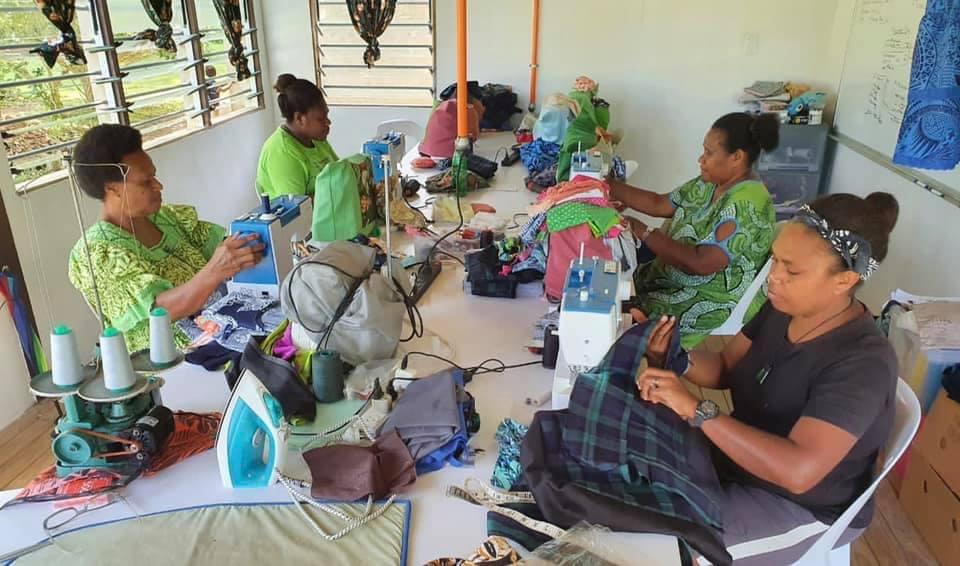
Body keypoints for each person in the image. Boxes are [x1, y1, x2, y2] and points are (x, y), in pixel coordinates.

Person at [636, 192, 900, 564]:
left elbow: (797, 471)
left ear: (844, 280)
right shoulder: (783, 309)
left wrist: (697, 410)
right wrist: (671, 354)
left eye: (792, 271)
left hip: (797, 504)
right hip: (737, 462)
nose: (774, 277)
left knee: (666, 549)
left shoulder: (863, 363)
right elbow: (725, 367)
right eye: (775, 259)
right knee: (628, 471)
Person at [68, 124, 264, 352]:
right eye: (146, 181)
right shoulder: (96, 253)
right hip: (173, 361)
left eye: (154, 176)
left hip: (221, 333)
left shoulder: (167, 219)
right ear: (113, 189)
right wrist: (215, 271)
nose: (158, 186)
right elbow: (161, 311)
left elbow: (225, 246)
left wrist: (252, 242)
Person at [611, 112, 780, 349]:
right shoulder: (710, 183)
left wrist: (644, 231)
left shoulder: (748, 203)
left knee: (613, 317)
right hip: (664, 277)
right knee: (609, 284)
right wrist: (605, 185)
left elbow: (701, 263)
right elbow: (659, 203)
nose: (701, 159)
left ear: (737, 157)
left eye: (709, 153)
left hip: (697, 298)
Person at [256, 74, 337, 199]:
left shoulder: (316, 139)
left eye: (326, 115)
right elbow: (299, 206)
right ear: (299, 118)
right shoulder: (282, 153)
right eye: (321, 119)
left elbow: (341, 173)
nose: (328, 122)